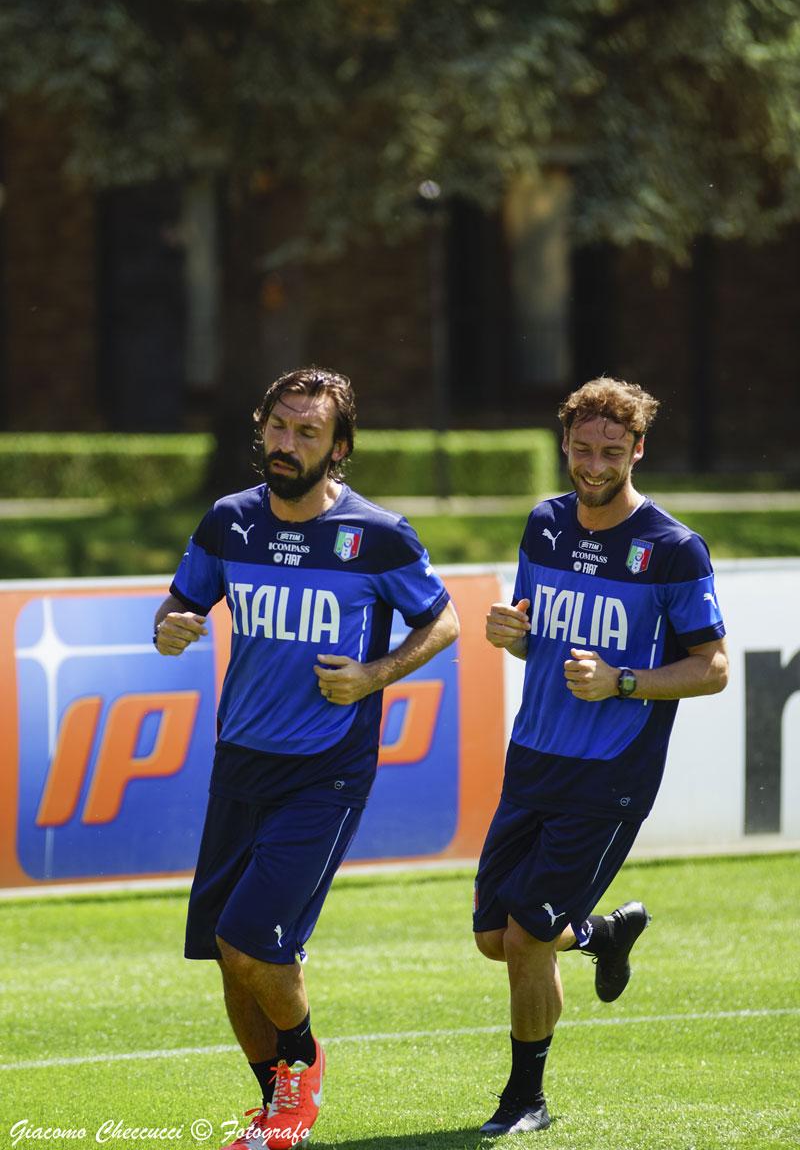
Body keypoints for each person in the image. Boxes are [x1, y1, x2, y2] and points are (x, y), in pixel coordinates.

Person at [153, 366, 459, 1150]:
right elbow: (180, 603)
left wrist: (374, 675)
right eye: (279, 428)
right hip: (239, 763)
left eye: (308, 433)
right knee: (227, 951)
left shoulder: (378, 536)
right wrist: (172, 625)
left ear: (340, 446)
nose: (287, 445)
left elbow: (445, 621)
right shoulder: (229, 521)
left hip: (326, 768)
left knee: (256, 937)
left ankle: (303, 1068)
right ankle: (276, 1111)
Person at [474, 377, 728, 1135]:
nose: (592, 464)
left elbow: (712, 667)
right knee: (496, 938)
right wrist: (510, 635)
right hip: (533, 757)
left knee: (524, 936)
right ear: (565, 444)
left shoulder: (673, 549)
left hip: (610, 772)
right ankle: (600, 935)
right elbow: (532, 633)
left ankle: (526, 1102)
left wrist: (623, 682)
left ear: (638, 450)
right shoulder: (544, 524)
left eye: (610, 451)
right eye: (582, 448)